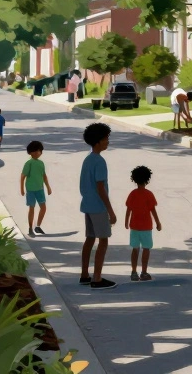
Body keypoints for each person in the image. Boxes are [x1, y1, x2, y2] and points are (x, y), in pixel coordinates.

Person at [79, 123, 118, 289]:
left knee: (89, 238)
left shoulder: (88, 160)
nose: (108, 141)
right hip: (98, 207)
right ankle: (97, 278)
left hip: (87, 205)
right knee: (103, 240)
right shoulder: (100, 161)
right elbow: (100, 188)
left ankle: (84, 275)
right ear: (97, 141)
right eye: (106, 138)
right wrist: (111, 211)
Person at [125, 165, 162, 282]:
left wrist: (126, 222)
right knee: (146, 249)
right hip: (146, 227)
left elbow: (129, 209)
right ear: (147, 179)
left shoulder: (132, 194)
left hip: (134, 226)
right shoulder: (149, 194)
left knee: (135, 249)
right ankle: (144, 272)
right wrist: (158, 222)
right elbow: (153, 210)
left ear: (134, 179)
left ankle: (133, 272)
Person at [20, 140, 52, 237]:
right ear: (31, 152)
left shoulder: (41, 163)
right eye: (37, 151)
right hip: (30, 189)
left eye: (40, 151)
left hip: (40, 189)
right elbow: (23, 176)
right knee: (32, 208)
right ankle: (30, 227)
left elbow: (44, 176)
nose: (39, 153)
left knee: (43, 207)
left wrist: (48, 187)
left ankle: (38, 226)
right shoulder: (29, 163)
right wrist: (22, 189)